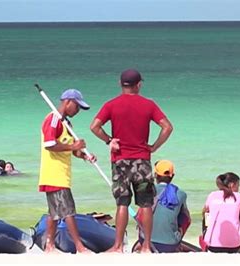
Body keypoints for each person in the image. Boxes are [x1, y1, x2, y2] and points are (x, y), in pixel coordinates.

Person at [90, 69, 173, 253]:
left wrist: (108, 140)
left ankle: (118, 246)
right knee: (145, 204)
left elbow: (94, 126)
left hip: (120, 161)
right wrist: (155, 146)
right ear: (139, 85)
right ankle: (145, 247)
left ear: (120, 84)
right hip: (142, 161)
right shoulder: (148, 105)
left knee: (122, 203)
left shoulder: (111, 105)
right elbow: (167, 127)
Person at [38, 88, 96, 253]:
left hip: (62, 174)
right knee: (68, 211)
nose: (77, 111)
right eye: (77, 107)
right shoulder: (53, 119)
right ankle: (80, 247)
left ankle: (49, 246)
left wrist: (84, 155)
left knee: (54, 212)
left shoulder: (67, 124)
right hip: (54, 174)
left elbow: (71, 151)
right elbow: (49, 145)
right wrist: (73, 146)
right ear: (68, 102)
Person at [133, 160, 191, 253]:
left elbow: (140, 217)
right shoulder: (181, 194)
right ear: (173, 176)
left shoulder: (147, 191)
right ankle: (175, 240)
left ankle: (143, 243)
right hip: (169, 245)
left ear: (155, 175)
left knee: (144, 212)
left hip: (145, 240)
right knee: (183, 215)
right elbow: (187, 220)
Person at [201, 172, 240, 253]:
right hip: (234, 246)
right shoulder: (239, 196)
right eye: (238, 185)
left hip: (212, 246)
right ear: (232, 185)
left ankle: (207, 236)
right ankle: (238, 236)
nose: (238, 188)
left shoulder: (212, 195)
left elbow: (204, 212)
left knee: (207, 213)